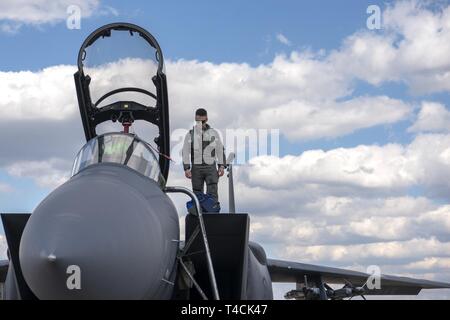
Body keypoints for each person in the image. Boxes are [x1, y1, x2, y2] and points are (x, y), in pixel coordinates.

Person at [182, 108, 226, 202]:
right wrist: (186, 168)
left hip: (210, 168)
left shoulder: (214, 133)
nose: (200, 123)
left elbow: (219, 150)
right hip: (196, 168)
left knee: (212, 194)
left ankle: (213, 215)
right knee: (197, 195)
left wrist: (221, 166)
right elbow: (185, 151)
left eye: (202, 121)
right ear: (195, 119)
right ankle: (199, 215)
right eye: (198, 121)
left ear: (206, 119)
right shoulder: (190, 134)